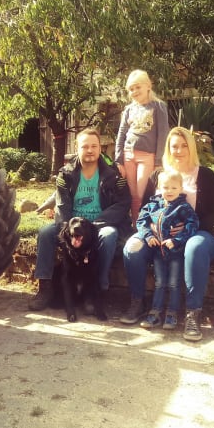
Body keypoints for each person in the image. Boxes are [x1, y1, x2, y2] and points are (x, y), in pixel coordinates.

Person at [120, 126, 214, 341]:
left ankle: (192, 314)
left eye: (184, 145)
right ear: (168, 148)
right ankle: (137, 302)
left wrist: (188, 229)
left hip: (199, 233)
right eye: (174, 146)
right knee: (132, 247)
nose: (179, 150)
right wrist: (148, 231)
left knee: (194, 247)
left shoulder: (205, 176)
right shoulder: (158, 175)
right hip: (157, 234)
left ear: (192, 147)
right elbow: (146, 210)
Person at [29, 128, 132, 315]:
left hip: (100, 225)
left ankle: (98, 290)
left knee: (109, 236)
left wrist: (99, 222)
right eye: (85, 146)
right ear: (77, 148)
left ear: (100, 148)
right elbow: (61, 205)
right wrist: (68, 229)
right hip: (72, 223)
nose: (90, 150)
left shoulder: (114, 175)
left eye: (94, 146)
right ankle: (44, 287)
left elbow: (123, 203)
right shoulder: (65, 174)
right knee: (45, 233)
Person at [134, 170, 199, 330]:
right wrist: (148, 236)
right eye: (165, 187)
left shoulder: (183, 207)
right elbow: (141, 221)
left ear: (180, 188)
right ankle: (155, 313)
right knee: (159, 283)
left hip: (175, 253)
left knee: (173, 284)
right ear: (158, 188)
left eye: (174, 188)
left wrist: (177, 240)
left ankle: (172, 314)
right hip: (158, 252)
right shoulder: (152, 205)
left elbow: (193, 225)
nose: (169, 191)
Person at [114, 69, 169, 226]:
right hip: (128, 155)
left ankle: (143, 225)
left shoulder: (158, 106)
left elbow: (163, 134)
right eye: (131, 89)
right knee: (132, 194)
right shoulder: (129, 109)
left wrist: (159, 161)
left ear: (148, 86)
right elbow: (121, 134)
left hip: (147, 157)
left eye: (137, 87)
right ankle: (134, 225)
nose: (134, 91)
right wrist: (119, 161)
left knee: (142, 192)